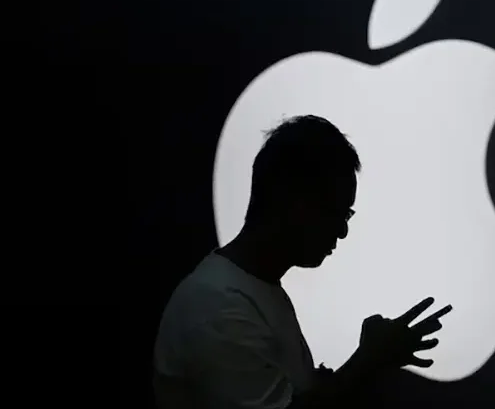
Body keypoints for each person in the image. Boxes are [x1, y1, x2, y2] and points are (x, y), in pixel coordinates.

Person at [152, 115, 452, 409]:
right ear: (290, 200)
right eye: (336, 211)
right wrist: (368, 362)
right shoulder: (216, 305)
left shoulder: (249, 291)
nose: (343, 230)